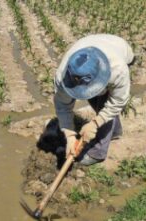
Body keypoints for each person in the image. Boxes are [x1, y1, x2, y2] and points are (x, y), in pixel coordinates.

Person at [54, 34, 134, 166]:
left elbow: (118, 101)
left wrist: (96, 123)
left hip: (120, 48)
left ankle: (98, 153)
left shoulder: (118, 69)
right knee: (96, 100)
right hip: (93, 43)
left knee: (104, 105)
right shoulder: (62, 75)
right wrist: (69, 135)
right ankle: (115, 131)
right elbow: (62, 106)